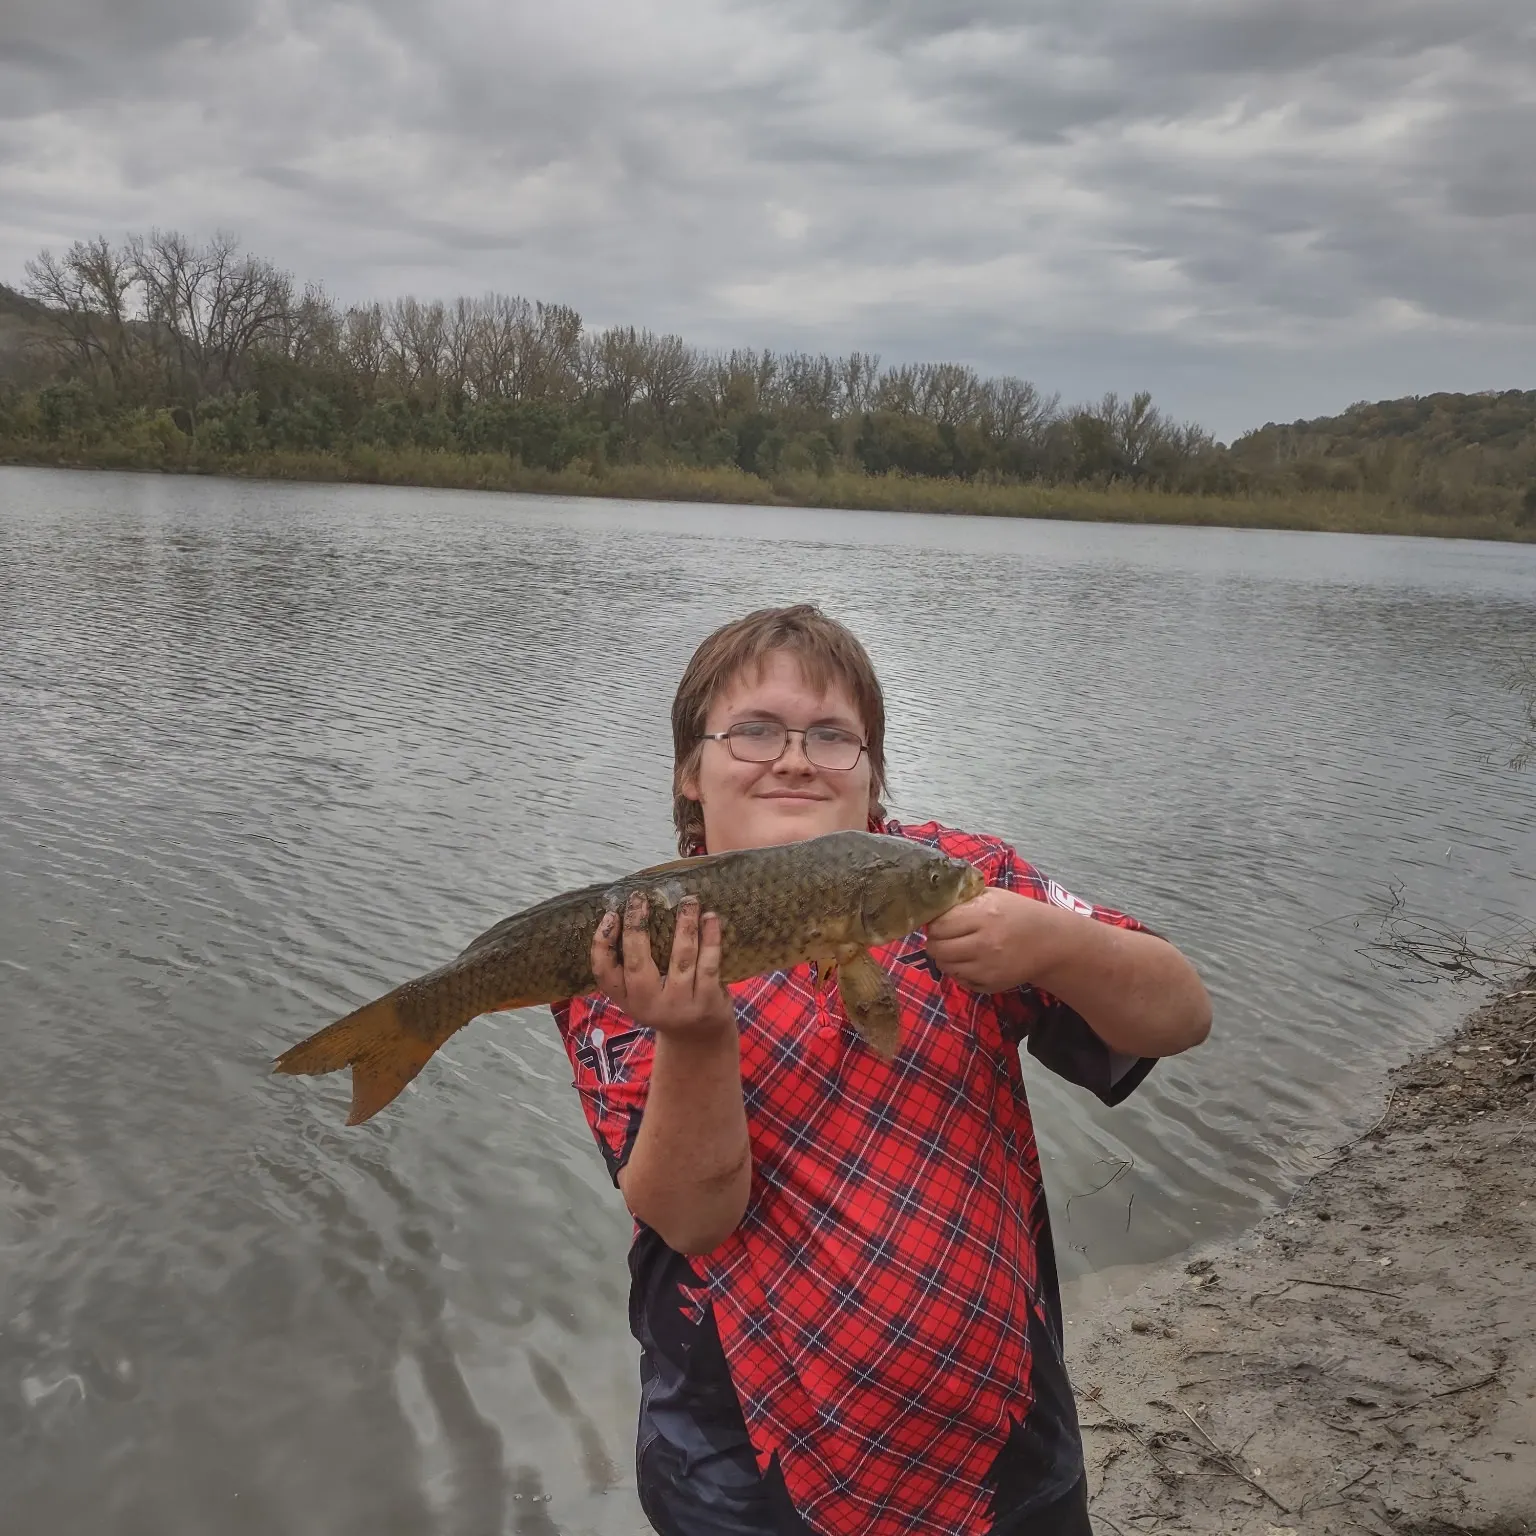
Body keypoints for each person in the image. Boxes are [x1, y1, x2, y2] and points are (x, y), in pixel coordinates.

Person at [553, 604, 1211, 1536]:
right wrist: (697, 1037)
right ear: (688, 774)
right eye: (754, 731)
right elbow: (694, 1217)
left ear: (872, 775)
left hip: (1007, 1448)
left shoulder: (965, 880)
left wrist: (1057, 943)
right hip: (740, 1475)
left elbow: (1182, 1014)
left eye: (832, 735)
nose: (794, 757)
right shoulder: (633, 948)